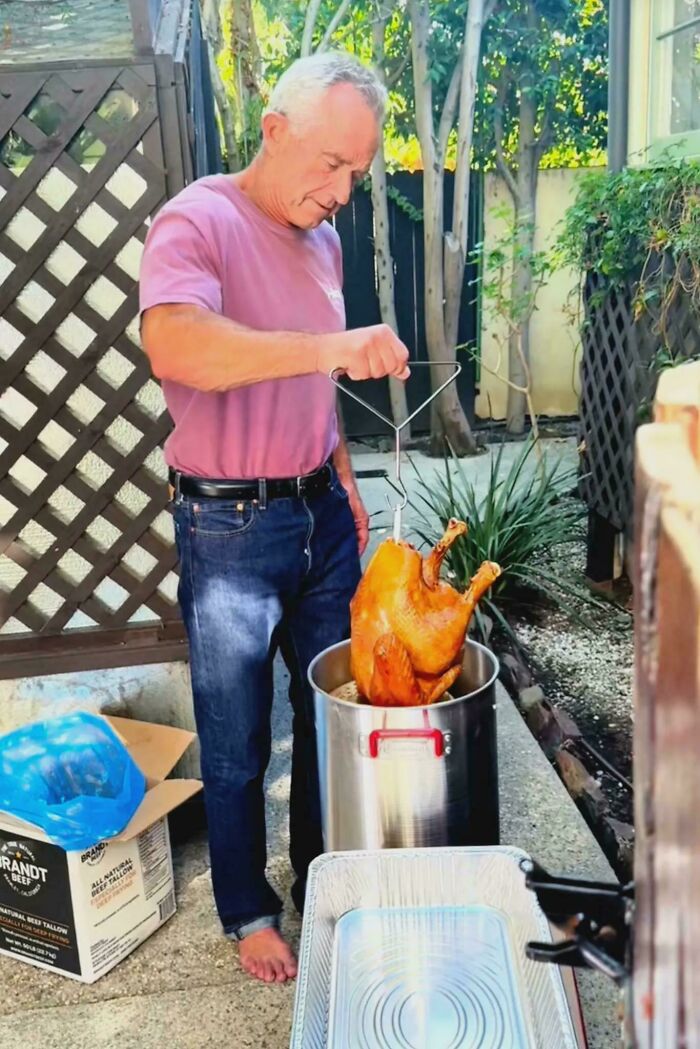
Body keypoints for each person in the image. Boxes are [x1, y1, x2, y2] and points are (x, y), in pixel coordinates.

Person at [139, 51, 409, 985]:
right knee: (237, 734)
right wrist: (335, 343)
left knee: (333, 710)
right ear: (276, 127)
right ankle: (248, 908)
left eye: (357, 175)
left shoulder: (324, 241)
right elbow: (179, 346)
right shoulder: (199, 219)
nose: (341, 190)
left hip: (320, 510)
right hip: (230, 530)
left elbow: (311, 378)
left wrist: (342, 469)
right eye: (332, 164)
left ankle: (321, 875)